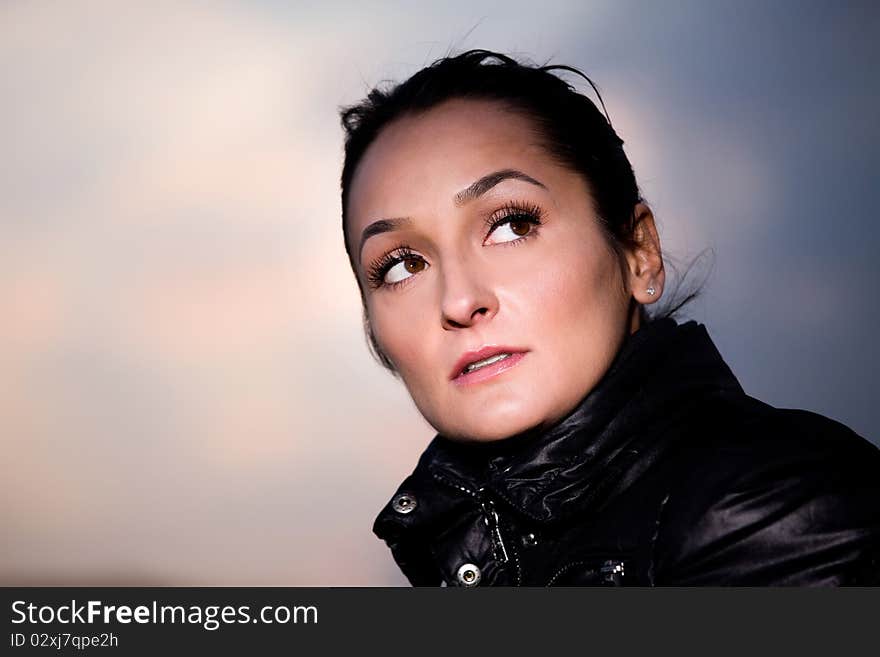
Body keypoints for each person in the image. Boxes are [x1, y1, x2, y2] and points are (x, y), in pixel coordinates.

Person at [337, 49, 880, 586]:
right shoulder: (464, 549)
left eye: (512, 226)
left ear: (639, 253)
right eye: (403, 266)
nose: (459, 302)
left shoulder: (769, 509)